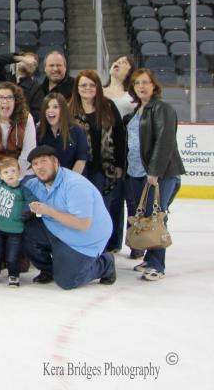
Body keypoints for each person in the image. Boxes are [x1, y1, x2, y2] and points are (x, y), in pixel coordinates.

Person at [20, 146, 116, 289]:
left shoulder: (74, 185)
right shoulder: (34, 184)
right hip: (58, 230)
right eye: (35, 164)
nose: (39, 167)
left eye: (43, 161)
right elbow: (13, 190)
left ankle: (105, 264)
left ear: (55, 162)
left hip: (84, 239)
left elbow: (83, 224)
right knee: (21, 229)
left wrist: (49, 211)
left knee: (67, 281)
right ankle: (50, 270)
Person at [123, 68, 184, 281]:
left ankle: (158, 265)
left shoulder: (162, 108)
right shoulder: (137, 111)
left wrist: (154, 171)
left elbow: (164, 141)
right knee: (146, 216)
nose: (141, 86)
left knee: (155, 216)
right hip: (136, 172)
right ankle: (150, 258)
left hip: (159, 174)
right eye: (137, 83)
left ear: (154, 85)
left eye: (146, 82)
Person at [69, 69, 127, 252]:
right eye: (83, 85)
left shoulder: (108, 106)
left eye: (92, 84)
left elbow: (120, 136)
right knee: (84, 208)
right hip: (80, 168)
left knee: (105, 208)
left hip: (105, 168)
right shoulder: (70, 109)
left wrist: (119, 164)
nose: (88, 88)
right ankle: (87, 243)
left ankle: (109, 245)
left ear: (98, 87)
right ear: (77, 88)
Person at [0, 158, 30, 286]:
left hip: (15, 230)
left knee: (13, 254)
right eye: (6, 172)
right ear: (1, 176)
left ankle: (13, 274)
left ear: (19, 172)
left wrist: (25, 213)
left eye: (13, 171)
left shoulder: (22, 190)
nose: (10, 174)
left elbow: (31, 200)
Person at [37, 93, 89, 175]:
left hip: (73, 178)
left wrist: (69, 181)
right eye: (47, 107)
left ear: (63, 110)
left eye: (55, 107)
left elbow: (81, 160)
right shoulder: (39, 131)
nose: (50, 110)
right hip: (49, 179)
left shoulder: (77, 130)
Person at [28, 51, 76, 122]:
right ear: (45, 68)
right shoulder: (38, 90)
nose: (55, 69)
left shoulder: (76, 86)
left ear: (65, 68)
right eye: (51, 65)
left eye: (59, 65)